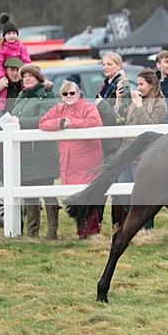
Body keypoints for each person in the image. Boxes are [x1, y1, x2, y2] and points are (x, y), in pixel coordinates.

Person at [39, 80, 104, 239]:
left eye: (72, 93)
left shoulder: (88, 107)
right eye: (65, 94)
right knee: (75, 198)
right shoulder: (58, 109)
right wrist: (60, 123)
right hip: (68, 162)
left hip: (88, 161)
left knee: (88, 196)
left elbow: (95, 122)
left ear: (78, 93)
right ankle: (82, 232)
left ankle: (93, 232)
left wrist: (72, 123)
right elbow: (42, 123)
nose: (69, 96)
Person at [10, 65, 60, 239]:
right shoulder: (21, 97)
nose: (27, 79)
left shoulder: (47, 96)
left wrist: (20, 121)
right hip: (24, 153)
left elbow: (45, 120)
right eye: (24, 76)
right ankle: (32, 233)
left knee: (48, 191)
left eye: (31, 76)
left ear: (39, 78)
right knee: (29, 193)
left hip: (42, 153)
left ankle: (52, 232)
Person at [115, 68, 168, 222]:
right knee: (123, 192)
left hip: (143, 156)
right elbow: (123, 123)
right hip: (127, 154)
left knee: (143, 194)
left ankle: (146, 227)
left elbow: (150, 126)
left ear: (151, 85)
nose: (138, 87)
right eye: (137, 84)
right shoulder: (136, 101)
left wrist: (139, 106)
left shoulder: (160, 104)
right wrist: (118, 102)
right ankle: (132, 223)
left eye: (141, 84)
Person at [94, 52, 128, 231]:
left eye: (109, 64)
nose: (105, 67)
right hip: (105, 141)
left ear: (118, 66)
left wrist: (102, 105)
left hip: (116, 143)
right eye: (104, 64)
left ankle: (119, 224)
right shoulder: (107, 85)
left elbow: (120, 116)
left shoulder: (121, 86)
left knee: (115, 184)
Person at [0, 13, 31, 111]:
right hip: (4, 75)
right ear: (4, 36)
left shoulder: (21, 47)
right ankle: (0, 108)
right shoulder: (1, 49)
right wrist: (1, 77)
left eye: (14, 33)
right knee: (2, 89)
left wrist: (26, 74)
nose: (11, 36)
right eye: (9, 34)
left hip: (19, 75)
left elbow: (26, 61)